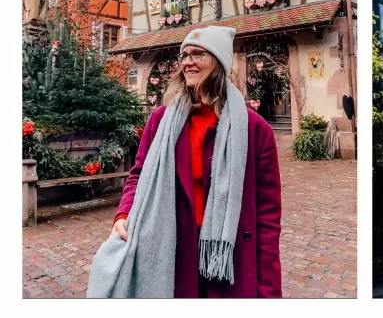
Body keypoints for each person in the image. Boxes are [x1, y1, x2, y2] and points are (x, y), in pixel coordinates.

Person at [88, 26, 282, 298]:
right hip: (173, 248)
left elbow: (268, 216)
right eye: (184, 55)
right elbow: (139, 173)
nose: (188, 61)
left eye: (198, 54)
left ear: (219, 61)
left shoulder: (254, 130)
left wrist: (269, 291)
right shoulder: (161, 121)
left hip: (229, 258)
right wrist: (123, 212)